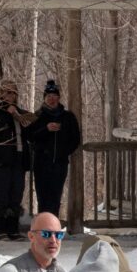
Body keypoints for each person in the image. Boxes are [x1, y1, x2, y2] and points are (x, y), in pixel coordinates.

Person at [27, 80, 83, 219]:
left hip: (59, 163)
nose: (51, 99)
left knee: (55, 197)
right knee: (42, 197)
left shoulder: (68, 117)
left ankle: (53, 225)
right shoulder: (37, 116)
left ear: (58, 97)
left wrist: (63, 152)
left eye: (54, 96)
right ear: (44, 98)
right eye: (48, 97)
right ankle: (42, 227)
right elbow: (29, 136)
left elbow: (75, 139)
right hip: (41, 162)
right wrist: (46, 129)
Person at [0, 83, 30, 237]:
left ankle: (13, 229)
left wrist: (16, 114)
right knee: (1, 194)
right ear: (1, 93)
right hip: (1, 159)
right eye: (7, 92)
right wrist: (7, 112)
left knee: (16, 193)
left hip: (18, 157)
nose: (11, 95)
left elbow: (29, 124)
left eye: (13, 93)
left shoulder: (18, 112)